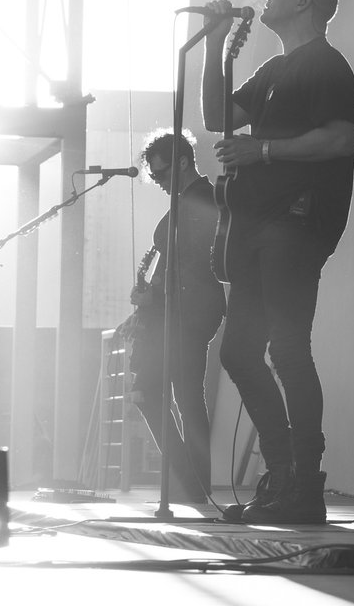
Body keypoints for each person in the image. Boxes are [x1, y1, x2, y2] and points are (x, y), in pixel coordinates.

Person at [201, 0, 354, 524]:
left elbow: (339, 138)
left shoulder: (326, 65)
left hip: (295, 223)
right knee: (239, 352)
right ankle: (283, 473)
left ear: (303, 1)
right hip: (256, 227)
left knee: (289, 348)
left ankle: (305, 486)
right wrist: (214, 45)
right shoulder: (273, 69)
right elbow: (217, 116)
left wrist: (262, 151)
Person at [128, 129, 226, 504]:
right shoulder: (187, 201)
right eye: (153, 175)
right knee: (174, 394)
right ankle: (193, 481)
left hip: (191, 310)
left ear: (183, 162)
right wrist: (150, 297)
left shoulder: (202, 200)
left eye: (162, 173)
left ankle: (192, 480)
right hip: (179, 310)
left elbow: (193, 264)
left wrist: (152, 295)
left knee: (177, 395)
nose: (158, 181)